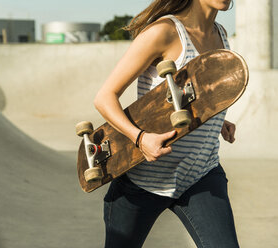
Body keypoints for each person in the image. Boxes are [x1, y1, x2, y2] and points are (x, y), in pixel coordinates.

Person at [94, 0, 239, 247]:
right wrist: (140, 138)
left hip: (200, 174)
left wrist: (216, 119)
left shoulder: (221, 35)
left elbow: (195, 94)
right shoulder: (163, 32)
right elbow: (104, 98)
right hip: (143, 181)